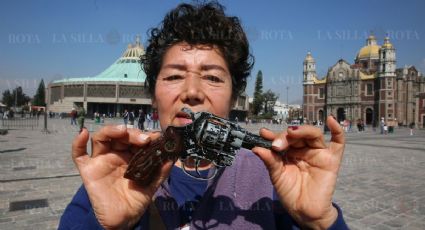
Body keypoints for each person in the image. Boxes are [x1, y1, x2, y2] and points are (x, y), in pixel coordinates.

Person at [59, 2, 348, 229]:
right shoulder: (118, 173)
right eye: (174, 76)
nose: (193, 91)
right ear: (153, 95)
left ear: (234, 97)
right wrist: (105, 225)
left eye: (212, 77)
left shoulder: (275, 181)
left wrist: (320, 222)